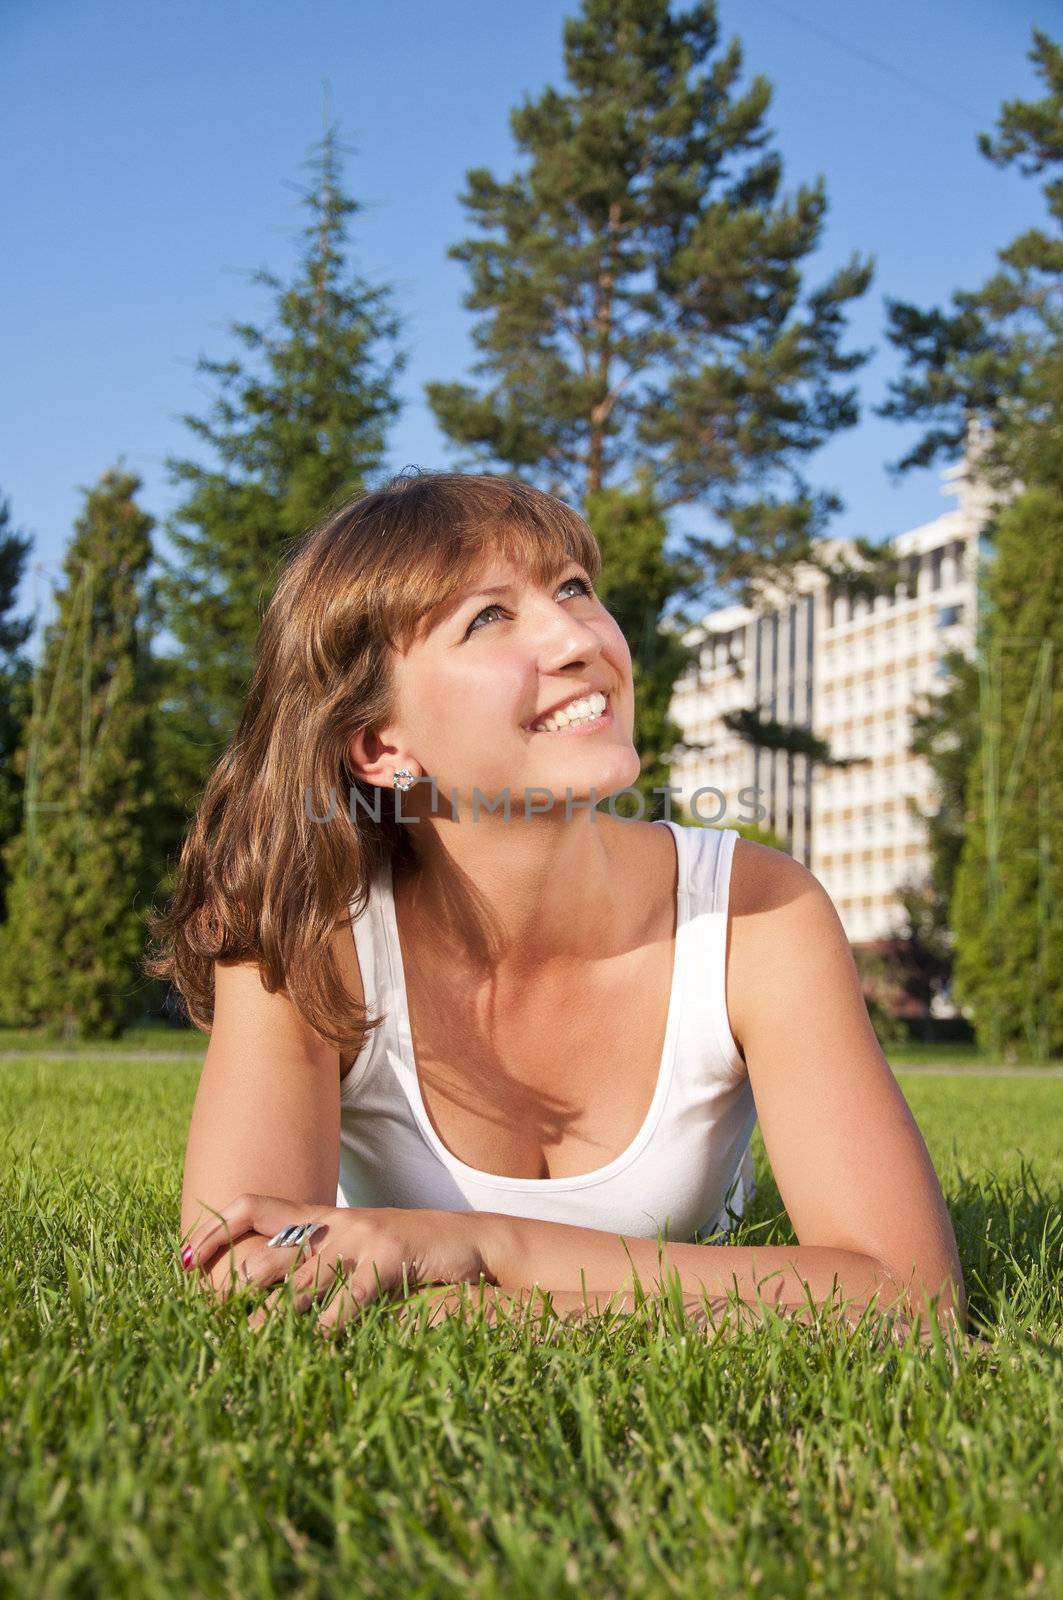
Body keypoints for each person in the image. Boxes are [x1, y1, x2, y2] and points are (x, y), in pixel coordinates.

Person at [150, 469, 967, 1344]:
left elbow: (908, 1294)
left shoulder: (757, 913)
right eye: (488, 617)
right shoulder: (307, 934)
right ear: (382, 744)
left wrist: (480, 1250)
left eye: (573, 587)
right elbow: (243, 1265)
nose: (577, 636)